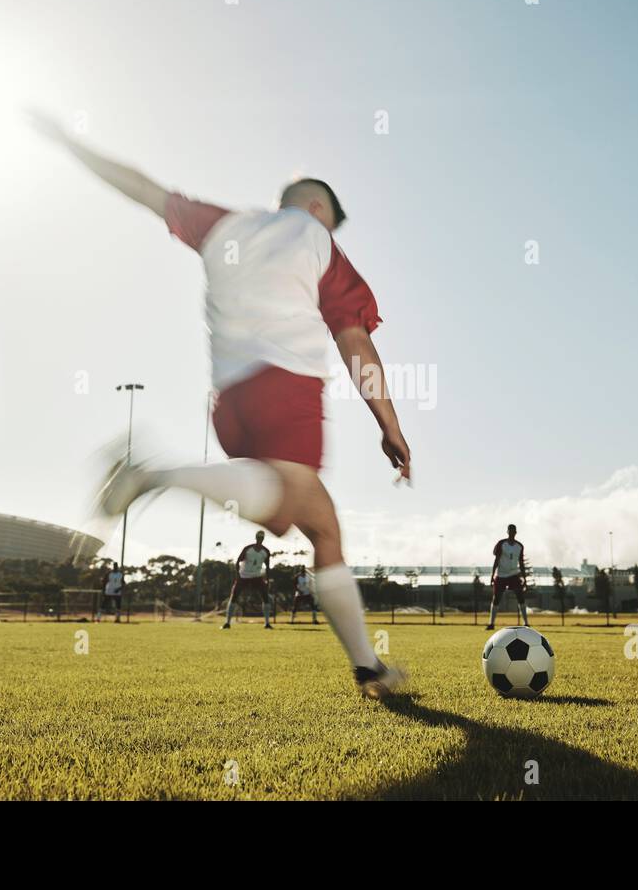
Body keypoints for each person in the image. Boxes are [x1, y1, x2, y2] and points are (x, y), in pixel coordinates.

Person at [31, 112, 410, 698]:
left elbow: (143, 189)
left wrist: (69, 143)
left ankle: (369, 669)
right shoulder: (317, 242)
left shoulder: (223, 225)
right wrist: (390, 425)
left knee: (323, 529)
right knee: (298, 506)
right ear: (317, 211)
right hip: (287, 386)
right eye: (333, 219)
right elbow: (356, 342)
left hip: (231, 403)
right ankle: (155, 472)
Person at [223, 531, 272, 629]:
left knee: (265, 597)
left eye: (261, 538)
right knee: (234, 597)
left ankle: (267, 623)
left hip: (257, 576)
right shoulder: (247, 549)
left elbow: (267, 567)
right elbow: (237, 561)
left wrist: (267, 580)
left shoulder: (266, 551)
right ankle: (227, 623)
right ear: (256, 538)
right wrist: (238, 575)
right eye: (258, 537)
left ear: (263, 539)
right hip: (244, 576)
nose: (260, 539)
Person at [486, 524, 528, 630]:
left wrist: (524, 578)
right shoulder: (501, 544)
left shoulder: (519, 546)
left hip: (514, 574)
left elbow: (521, 563)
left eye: (513, 531)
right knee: (496, 598)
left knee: (520, 597)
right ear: (507, 532)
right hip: (501, 575)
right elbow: (496, 560)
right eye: (510, 531)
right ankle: (491, 623)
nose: (512, 533)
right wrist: (492, 575)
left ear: (516, 532)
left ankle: (526, 623)